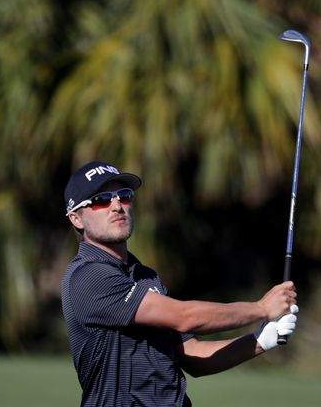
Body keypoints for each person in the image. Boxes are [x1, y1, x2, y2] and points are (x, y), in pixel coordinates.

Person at [61, 160, 298, 407]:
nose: (117, 206)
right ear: (76, 218)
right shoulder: (87, 276)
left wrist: (261, 339)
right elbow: (185, 316)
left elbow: (193, 355)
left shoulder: (145, 276)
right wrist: (260, 308)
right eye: (101, 200)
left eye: (124, 196)